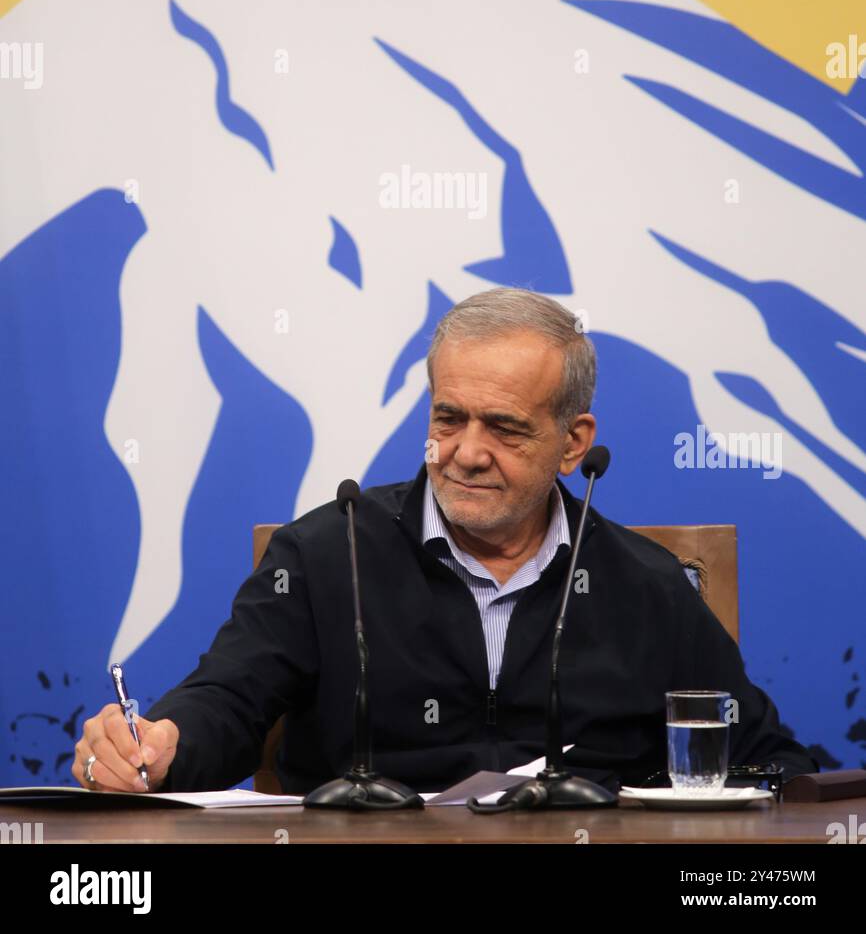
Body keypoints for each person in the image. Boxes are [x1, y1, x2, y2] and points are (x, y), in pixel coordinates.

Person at [72, 287, 818, 795]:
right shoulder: (330, 555)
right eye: (449, 418)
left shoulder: (646, 584)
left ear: (572, 441)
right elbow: (227, 703)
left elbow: (767, 763)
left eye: (504, 427)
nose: (465, 451)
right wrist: (162, 743)